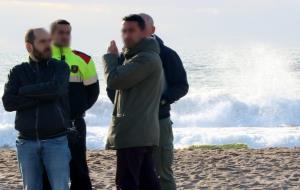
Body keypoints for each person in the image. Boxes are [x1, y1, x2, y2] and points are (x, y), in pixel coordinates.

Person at [107, 13, 189, 190]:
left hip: (159, 119)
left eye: (136, 29)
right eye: (125, 30)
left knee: (162, 172)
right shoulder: (127, 55)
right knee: (145, 176)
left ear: (150, 30)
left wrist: (161, 101)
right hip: (135, 122)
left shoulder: (165, 55)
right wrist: (126, 106)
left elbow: (181, 85)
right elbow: (114, 87)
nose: (129, 35)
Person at [2, 28, 71, 190]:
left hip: (57, 141)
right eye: (43, 42)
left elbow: (57, 90)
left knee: (60, 187)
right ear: (29, 46)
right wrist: (43, 95)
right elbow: (8, 103)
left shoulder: (60, 67)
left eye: (49, 41)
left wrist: (25, 91)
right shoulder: (18, 71)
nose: (49, 45)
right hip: (26, 143)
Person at [103, 14, 163, 190]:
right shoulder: (138, 56)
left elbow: (114, 80)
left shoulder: (145, 58)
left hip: (135, 133)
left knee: (127, 183)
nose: (127, 35)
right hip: (138, 132)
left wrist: (110, 58)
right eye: (124, 30)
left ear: (144, 32)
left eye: (132, 30)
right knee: (147, 182)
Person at [42, 19, 99, 190]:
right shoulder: (41, 58)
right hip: (47, 124)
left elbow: (93, 93)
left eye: (68, 32)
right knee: (47, 169)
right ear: (52, 35)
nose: (65, 36)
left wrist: (76, 110)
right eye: (61, 32)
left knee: (78, 168)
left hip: (75, 124)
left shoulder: (84, 59)